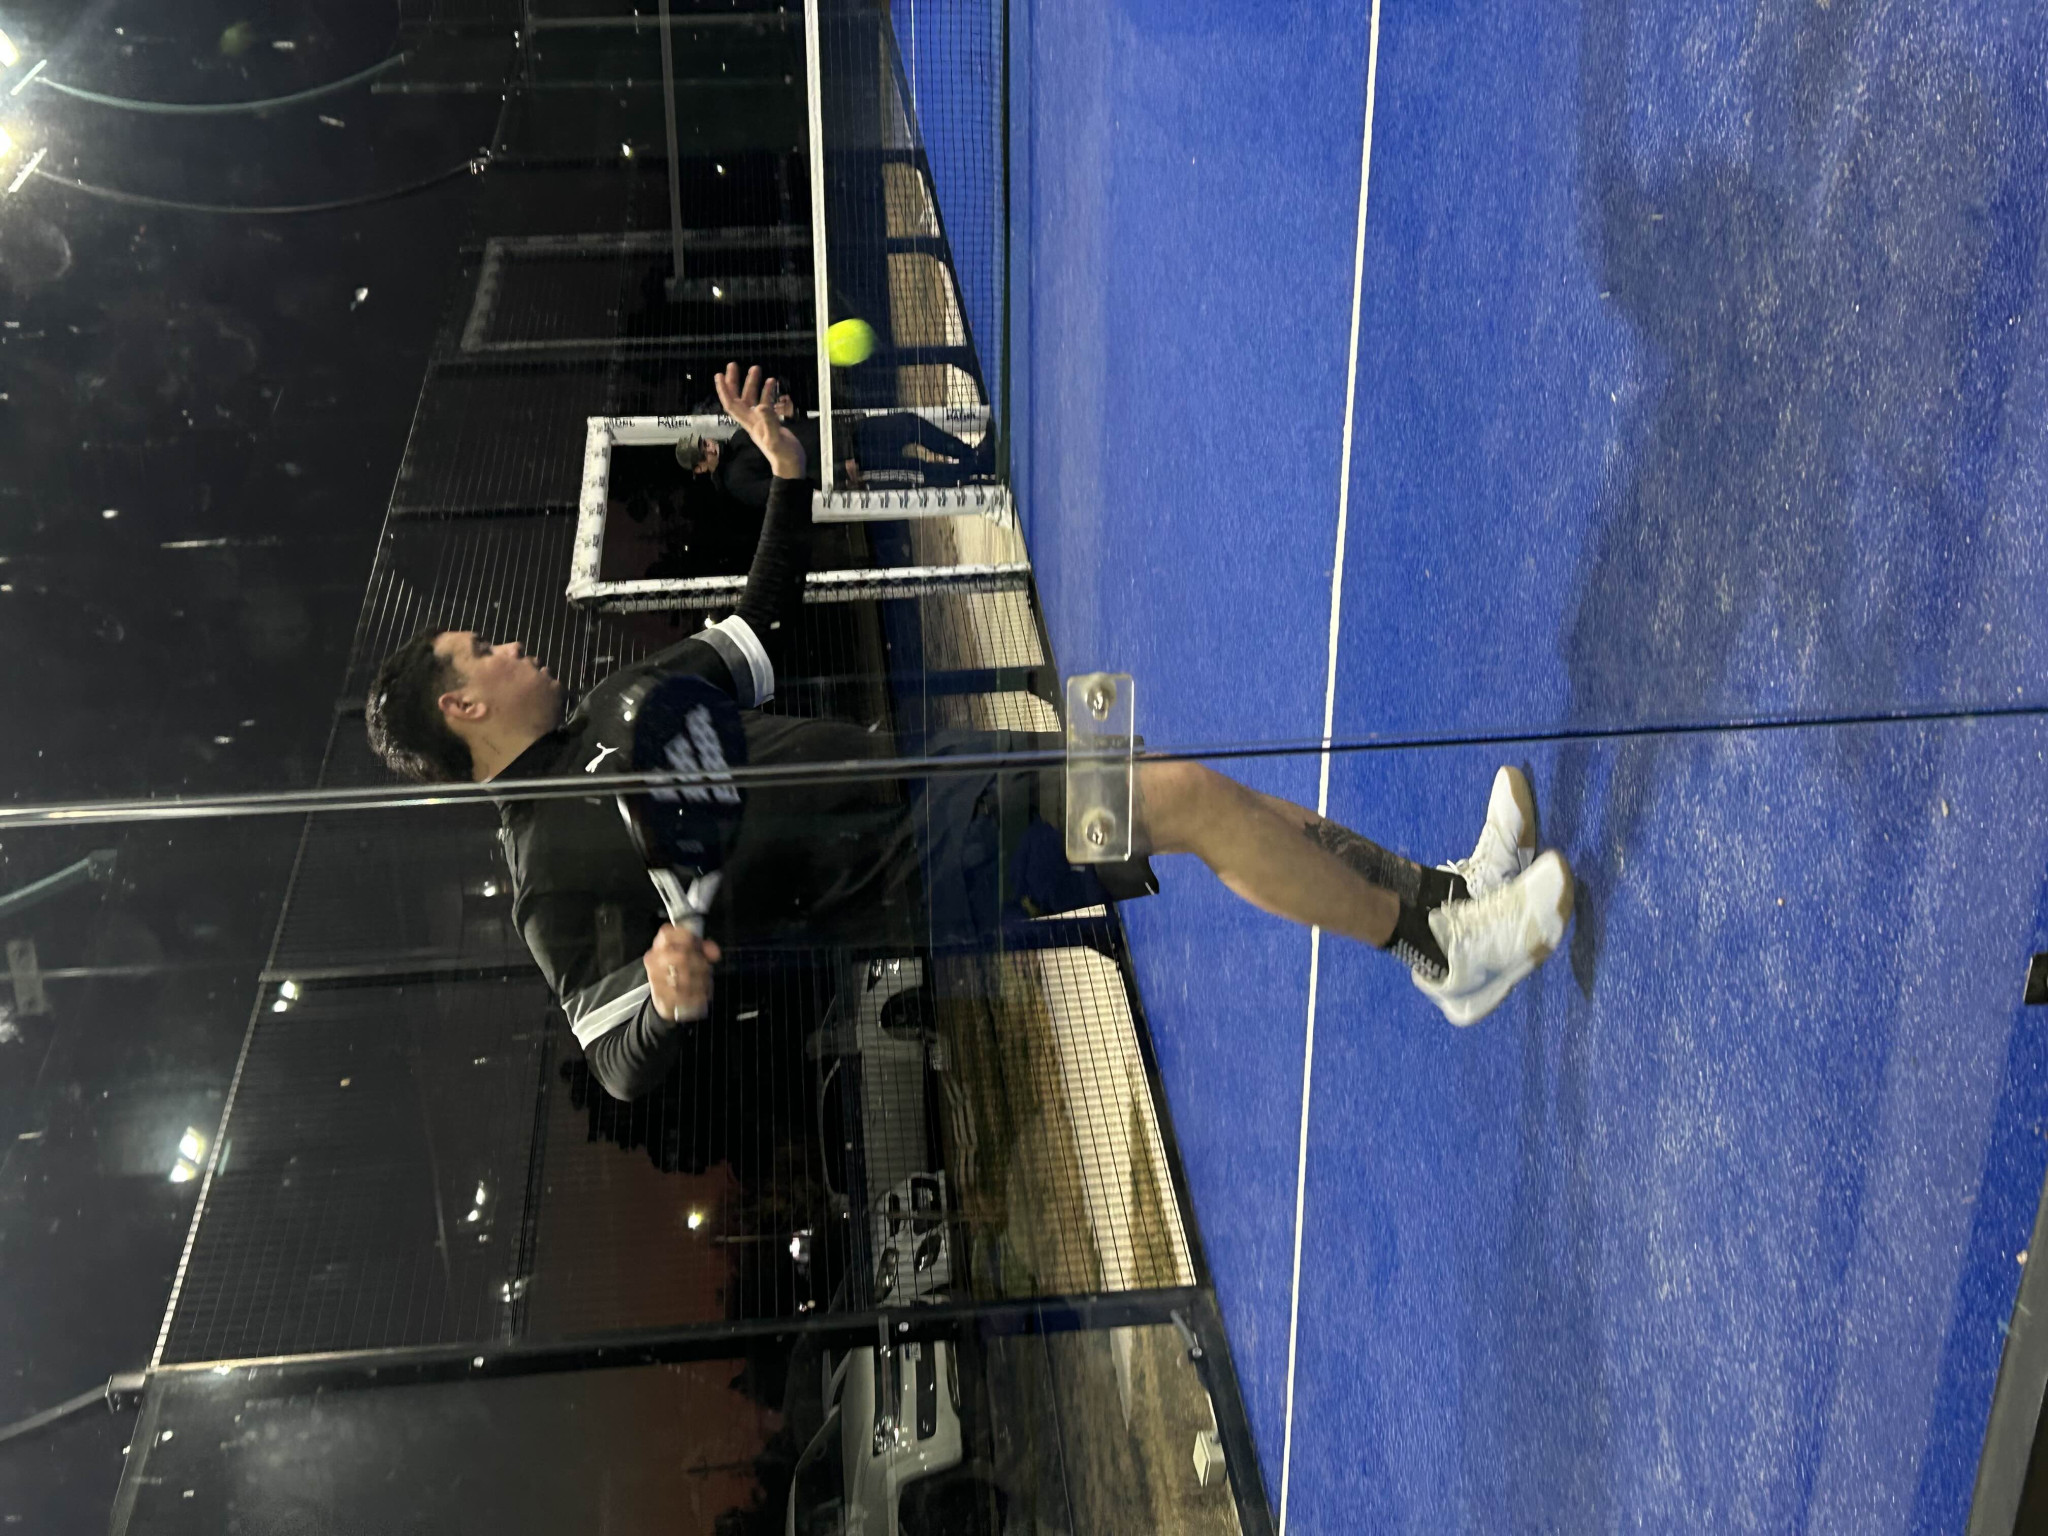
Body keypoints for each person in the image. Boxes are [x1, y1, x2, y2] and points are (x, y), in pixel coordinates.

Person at [367, 364, 1573, 1101]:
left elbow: (760, 625)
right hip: (921, 867)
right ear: (461, 708)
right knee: (1191, 800)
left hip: (929, 775)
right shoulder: (546, 868)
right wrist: (662, 998)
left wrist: (785, 475)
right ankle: (1441, 951)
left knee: (1204, 795)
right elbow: (613, 1058)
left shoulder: (623, 703)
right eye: (483, 654)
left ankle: (1442, 901)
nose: (510, 648)